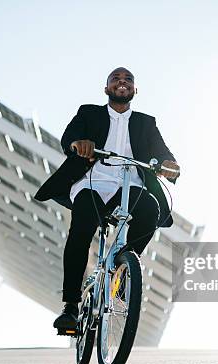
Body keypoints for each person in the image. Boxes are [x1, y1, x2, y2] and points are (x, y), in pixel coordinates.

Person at [34, 67, 180, 329]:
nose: (122, 82)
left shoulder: (146, 122)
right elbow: (69, 138)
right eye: (116, 79)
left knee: (150, 208)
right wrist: (79, 144)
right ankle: (70, 307)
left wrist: (171, 164)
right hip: (93, 181)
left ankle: (124, 269)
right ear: (107, 89)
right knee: (81, 228)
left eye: (128, 80)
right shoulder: (88, 112)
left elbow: (162, 151)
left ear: (135, 90)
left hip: (130, 183)